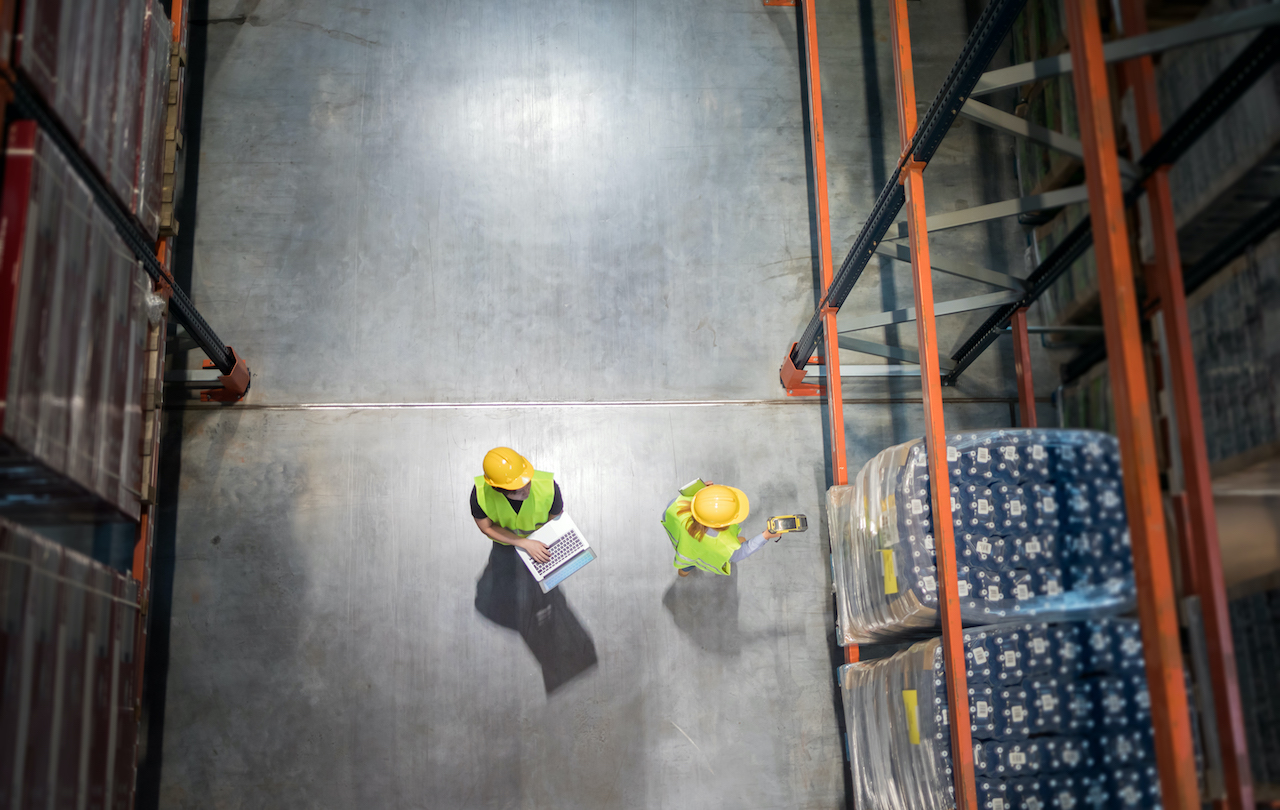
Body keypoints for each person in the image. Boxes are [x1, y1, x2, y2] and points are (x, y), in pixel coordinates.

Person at [661, 482, 779, 576]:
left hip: (686, 551)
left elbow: (669, 512)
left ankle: (682, 573)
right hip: (702, 554)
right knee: (741, 541)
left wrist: (701, 494)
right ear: (720, 524)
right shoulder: (723, 544)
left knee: (684, 568)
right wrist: (766, 535)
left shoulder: (677, 504)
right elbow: (742, 552)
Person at [471, 447, 562, 564]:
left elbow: (555, 521)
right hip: (505, 543)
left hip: (541, 542)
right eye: (517, 491)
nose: (526, 491)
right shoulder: (480, 494)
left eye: (527, 482)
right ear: (499, 490)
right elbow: (486, 527)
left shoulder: (549, 486)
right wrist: (524, 543)